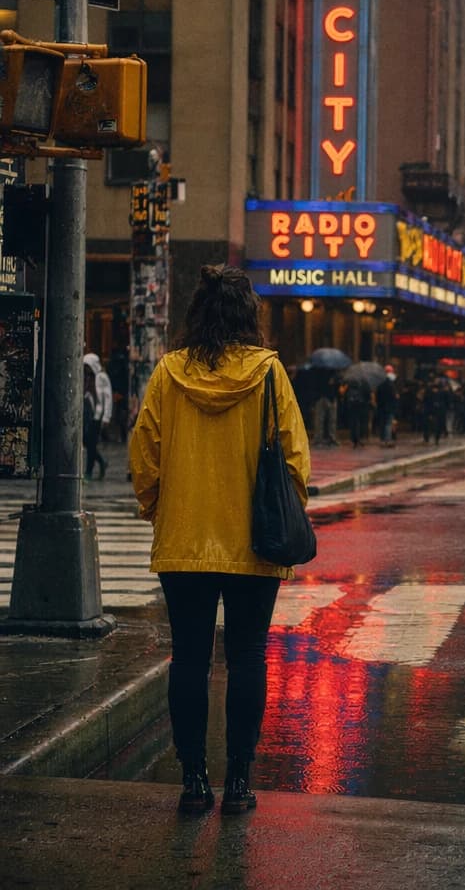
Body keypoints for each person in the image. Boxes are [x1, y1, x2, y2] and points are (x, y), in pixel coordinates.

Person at [128, 264, 311, 816]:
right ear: (248, 316)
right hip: (254, 543)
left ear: (197, 314)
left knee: (188, 658)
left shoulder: (167, 373)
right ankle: (237, 782)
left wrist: (159, 508)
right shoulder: (269, 375)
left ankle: (192, 779)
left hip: (184, 541)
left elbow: (144, 454)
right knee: (247, 655)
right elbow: (296, 458)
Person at [82, 363, 107, 480]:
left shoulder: (98, 379)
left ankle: (88, 472)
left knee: (91, 445)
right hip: (87, 413)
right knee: (88, 444)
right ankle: (102, 461)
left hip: (95, 416)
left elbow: (104, 398)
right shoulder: (87, 377)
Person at [84, 353, 113, 443]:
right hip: (92, 415)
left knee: (91, 446)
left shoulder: (102, 377)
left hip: (98, 416)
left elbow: (108, 398)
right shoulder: (91, 377)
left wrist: (106, 417)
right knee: (90, 446)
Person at [376, 365, 399, 446]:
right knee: (388, 424)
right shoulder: (391, 385)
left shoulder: (380, 384)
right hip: (389, 407)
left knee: (382, 423)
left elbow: (377, 396)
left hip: (381, 407)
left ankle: (382, 439)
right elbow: (394, 396)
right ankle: (387, 440)